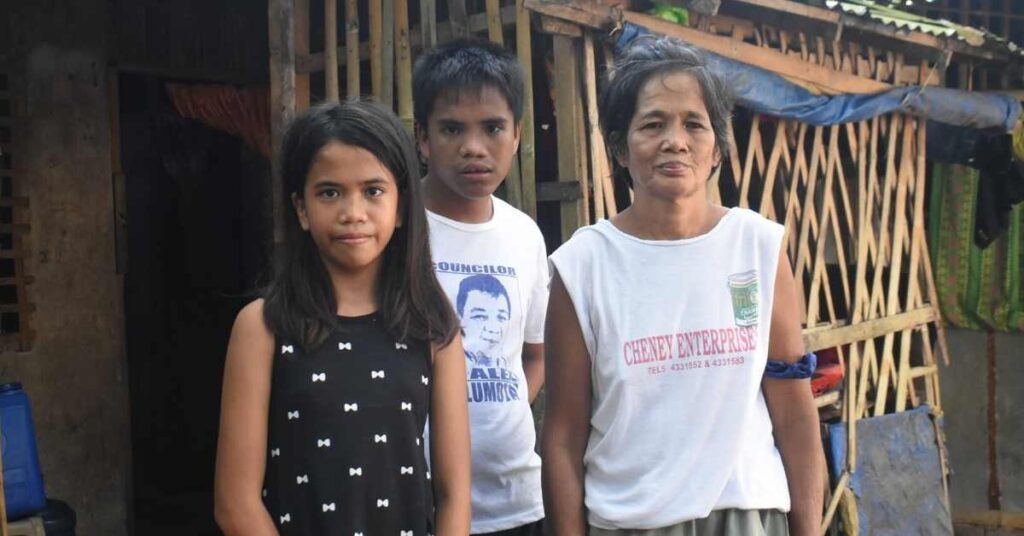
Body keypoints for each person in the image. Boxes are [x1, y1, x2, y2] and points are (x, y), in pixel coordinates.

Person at [542, 37, 825, 536]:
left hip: (748, 518)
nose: (676, 140)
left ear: (718, 147)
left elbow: (795, 414)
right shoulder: (582, 266)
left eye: (694, 124)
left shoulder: (757, 247)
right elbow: (563, 436)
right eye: (653, 124)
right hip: (632, 522)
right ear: (619, 146)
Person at [213, 100, 471, 536]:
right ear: (300, 209)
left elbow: (454, 495)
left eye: (373, 191)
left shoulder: (433, 329)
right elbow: (235, 505)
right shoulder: (262, 328)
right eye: (329, 192)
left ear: (402, 206)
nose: (353, 212)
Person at [414, 39, 548, 535]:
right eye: (452, 129)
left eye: (492, 128)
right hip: (415, 498)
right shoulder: (394, 231)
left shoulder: (524, 235)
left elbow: (536, 355)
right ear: (422, 138)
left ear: (516, 136)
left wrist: (504, 413)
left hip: (515, 497)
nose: (474, 147)